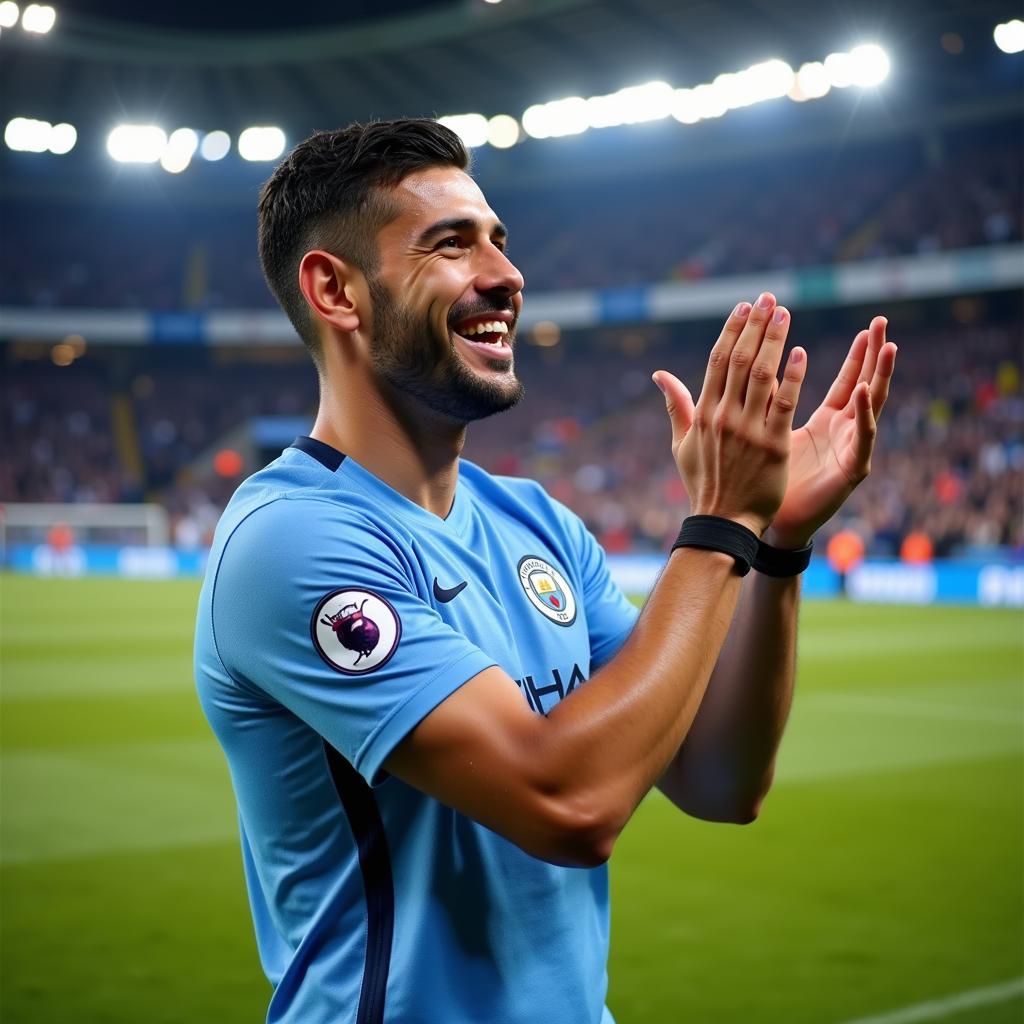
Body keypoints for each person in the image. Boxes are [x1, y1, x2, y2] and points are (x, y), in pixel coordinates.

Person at [194, 118, 897, 1024]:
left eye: (500, 240)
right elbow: (570, 804)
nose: (506, 275)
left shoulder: (536, 523)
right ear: (337, 291)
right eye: (451, 244)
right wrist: (721, 521)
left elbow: (720, 782)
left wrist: (774, 547)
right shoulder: (290, 539)